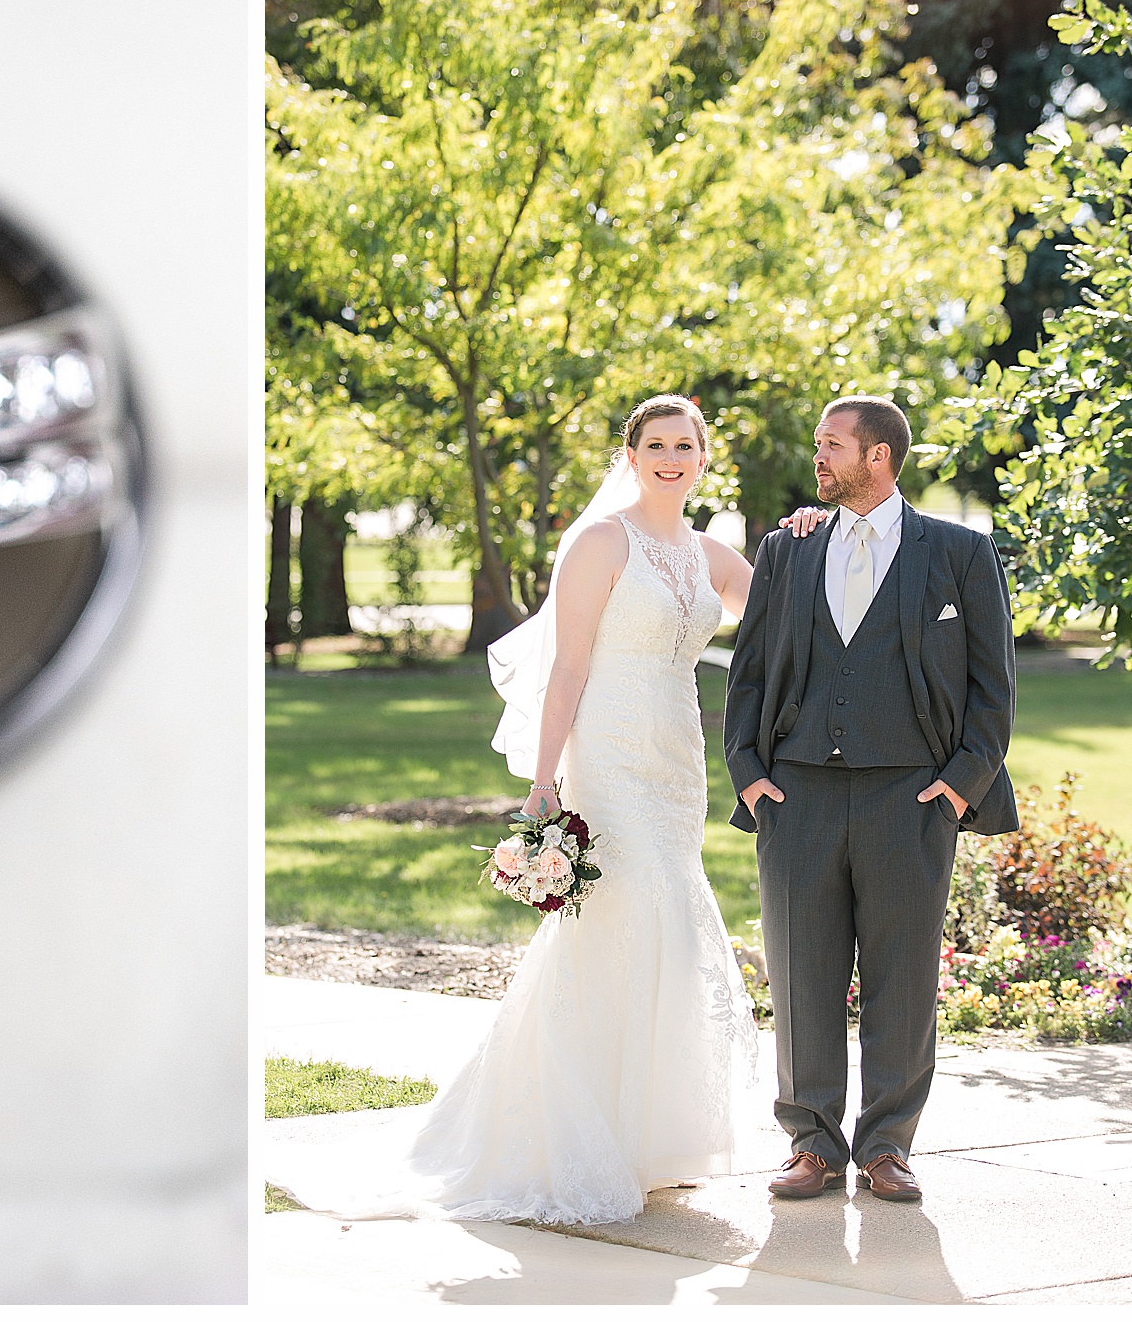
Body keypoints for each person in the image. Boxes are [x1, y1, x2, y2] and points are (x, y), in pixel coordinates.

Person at [272, 394, 797, 1226]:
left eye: (684, 445)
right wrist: (544, 780)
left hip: (675, 760)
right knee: (627, 913)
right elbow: (568, 664)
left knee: (668, 924)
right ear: (631, 456)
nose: (670, 457)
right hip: (610, 753)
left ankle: (645, 1139)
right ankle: (571, 1135)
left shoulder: (710, 554)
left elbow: (784, 601)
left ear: (704, 458)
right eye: (655, 444)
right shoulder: (599, 542)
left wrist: (806, 533)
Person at [724, 395, 1017, 1205]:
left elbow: (993, 686)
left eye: (830, 445)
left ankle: (887, 1145)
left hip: (911, 798)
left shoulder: (959, 551)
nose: (817, 457)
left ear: (878, 456)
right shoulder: (789, 548)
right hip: (798, 791)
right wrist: (749, 770)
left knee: (904, 973)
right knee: (800, 971)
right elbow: (748, 671)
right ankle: (810, 1144)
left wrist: (960, 785)